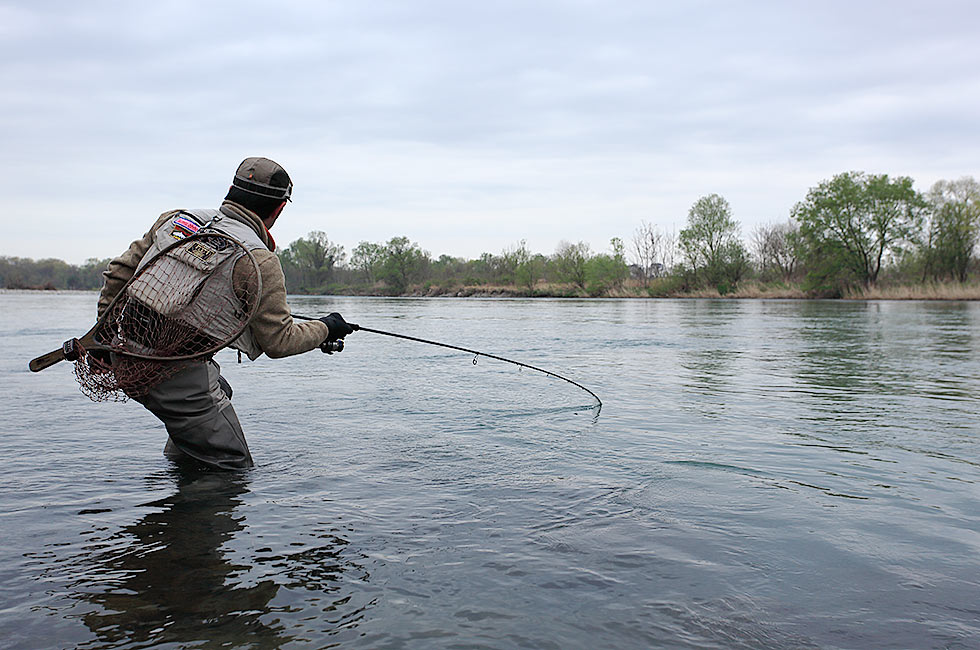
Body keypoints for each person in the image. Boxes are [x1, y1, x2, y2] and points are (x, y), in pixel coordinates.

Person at [97, 157, 353, 470]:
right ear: (279, 210)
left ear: (231, 190)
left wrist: (104, 337)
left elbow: (119, 272)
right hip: (174, 374)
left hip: (123, 353)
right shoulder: (260, 261)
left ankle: (183, 465)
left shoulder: (175, 220)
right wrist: (327, 327)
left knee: (221, 391)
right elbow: (279, 341)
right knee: (233, 469)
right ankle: (189, 499)